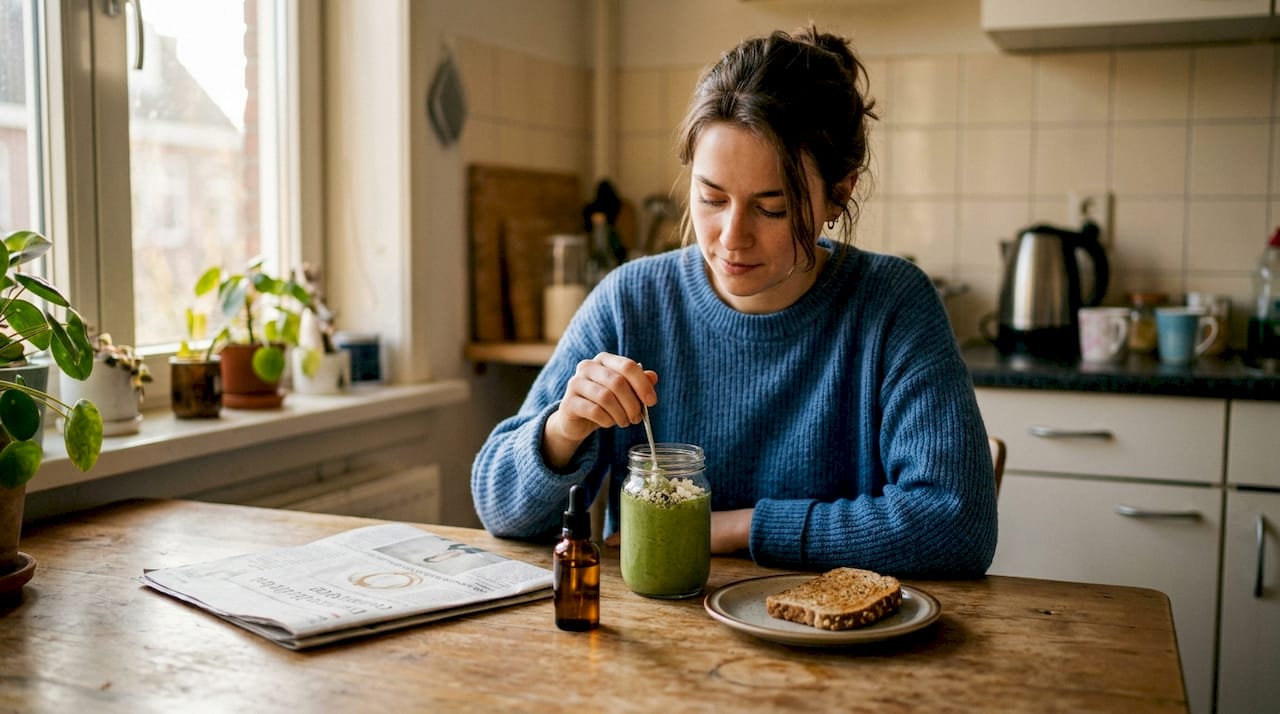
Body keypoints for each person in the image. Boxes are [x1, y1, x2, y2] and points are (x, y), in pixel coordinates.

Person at [471, 25, 997, 577]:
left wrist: (734, 527)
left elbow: (956, 527)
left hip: (841, 652)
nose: (731, 236)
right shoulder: (631, 302)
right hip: (661, 641)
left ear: (838, 194)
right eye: (711, 198)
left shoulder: (892, 305)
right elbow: (498, 509)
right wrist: (564, 430)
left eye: (771, 208)